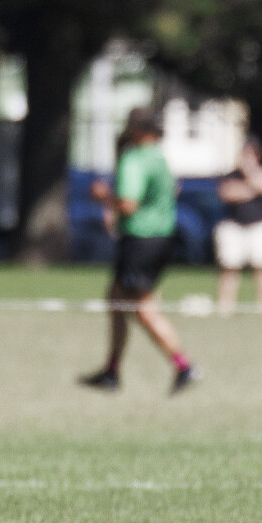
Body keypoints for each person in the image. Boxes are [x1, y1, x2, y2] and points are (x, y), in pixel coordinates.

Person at [80, 106, 200, 393]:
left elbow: (128, 204)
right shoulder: (159, 158)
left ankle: (184, 365)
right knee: (116, 300)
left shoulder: (134, 159)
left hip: (141, 240)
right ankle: (111, 370)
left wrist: (102, 196)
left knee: (142, 308)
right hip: (160, 238)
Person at [212, 136, 262, 317]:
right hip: (234, 227)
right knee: (229, 268)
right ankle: (225, 308)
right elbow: (227, 192)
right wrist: (254, 188)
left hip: (261, 226)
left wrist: (250, 176)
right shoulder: (231, 175)